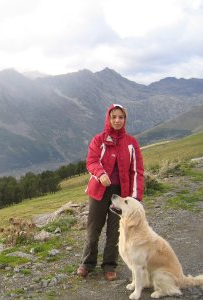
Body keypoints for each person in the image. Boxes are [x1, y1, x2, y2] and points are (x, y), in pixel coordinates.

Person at [76, 103, 144, 281]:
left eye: (121, 117)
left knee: (115, 231)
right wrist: (100, 174)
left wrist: (135, 198)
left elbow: (137, 171)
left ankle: (109, 265)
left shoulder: (131, 143)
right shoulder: (99, 139)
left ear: (125, 119)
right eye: (114, 117)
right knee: (93, 228)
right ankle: (87, 263)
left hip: (121, 195)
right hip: (99, 190)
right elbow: (91, 161)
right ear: (108, 118)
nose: (117, 120)